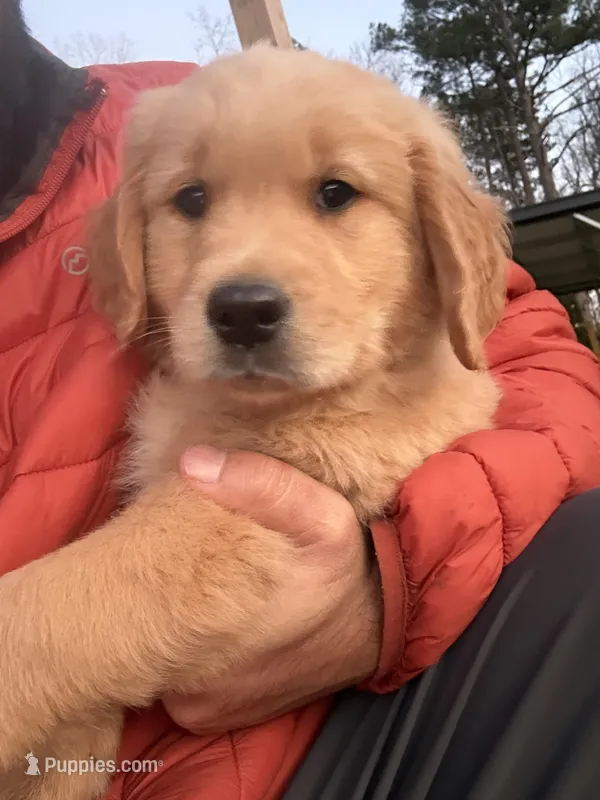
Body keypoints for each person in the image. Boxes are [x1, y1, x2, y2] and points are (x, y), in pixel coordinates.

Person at [1, 3, 600, 798]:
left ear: (439, 234)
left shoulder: (164, 111)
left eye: (333, 192)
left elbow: (540, 364)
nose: (243, 278)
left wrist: (391, 582)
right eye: (192, 202)